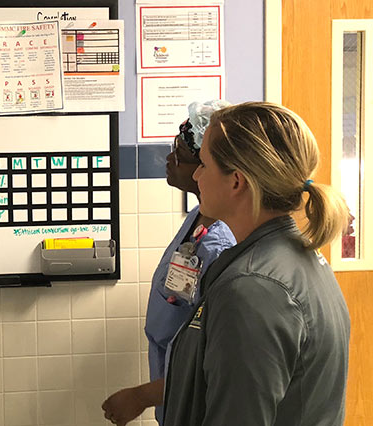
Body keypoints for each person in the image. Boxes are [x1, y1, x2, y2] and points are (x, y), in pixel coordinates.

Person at [163, 102, 351, 425]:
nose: (195, 174)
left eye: (204, 165)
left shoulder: (253, 288)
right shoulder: (293, 259)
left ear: (237, 182)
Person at [102, 100, 235, 426]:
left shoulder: (221, 245)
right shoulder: (197, 219)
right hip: (173, 390)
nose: (169, 160)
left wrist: (141, 396)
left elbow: (212, 361)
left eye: (182, 155)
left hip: (196, 404)